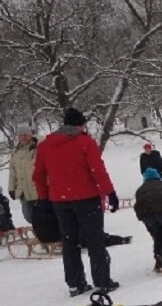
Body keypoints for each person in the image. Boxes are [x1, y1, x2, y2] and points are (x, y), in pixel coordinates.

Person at [32, 107, 120, 296]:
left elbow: (38, 175)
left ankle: (75, 283)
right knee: (94, 239)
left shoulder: (45, 146)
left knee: (69, 242)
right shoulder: (84, 142)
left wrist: (44, 197)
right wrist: (110, 192)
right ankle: (102, 281)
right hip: (86, 198)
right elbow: (97, 170)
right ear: (80, 125)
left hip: (59, 201)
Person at [31, 196, 131, 247]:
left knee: (88, 234)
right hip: (58, 235)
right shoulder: (55, 204)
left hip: (45, 236)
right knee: (91, 236)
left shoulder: (38, 206)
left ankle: (112, 239)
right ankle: (116, 240)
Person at [8, 123, 38, 223]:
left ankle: (47, 235)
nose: (22, 137)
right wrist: (11, 188)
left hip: (37, 190)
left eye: (25, 135)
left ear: (30, 135)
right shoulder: (15, 152)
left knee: (42, 216)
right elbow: (12, 172)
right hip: (23, 191)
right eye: (20, 135)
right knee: (28, 216)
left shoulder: (38, 148)